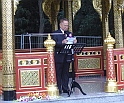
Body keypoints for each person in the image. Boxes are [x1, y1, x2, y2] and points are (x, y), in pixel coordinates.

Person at [52, 18, 77, 95]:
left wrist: (74, 42)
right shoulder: (56, 33)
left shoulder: (69, 33)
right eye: (65, 25)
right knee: (58, 73)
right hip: (59, 56)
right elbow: (54, 43)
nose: (66, 27)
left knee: (66, 73)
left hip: (67, 56)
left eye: (67, 25)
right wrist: (61, 42)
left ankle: (65, 88)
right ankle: (59, 88)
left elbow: (71, 42)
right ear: (60, 25)